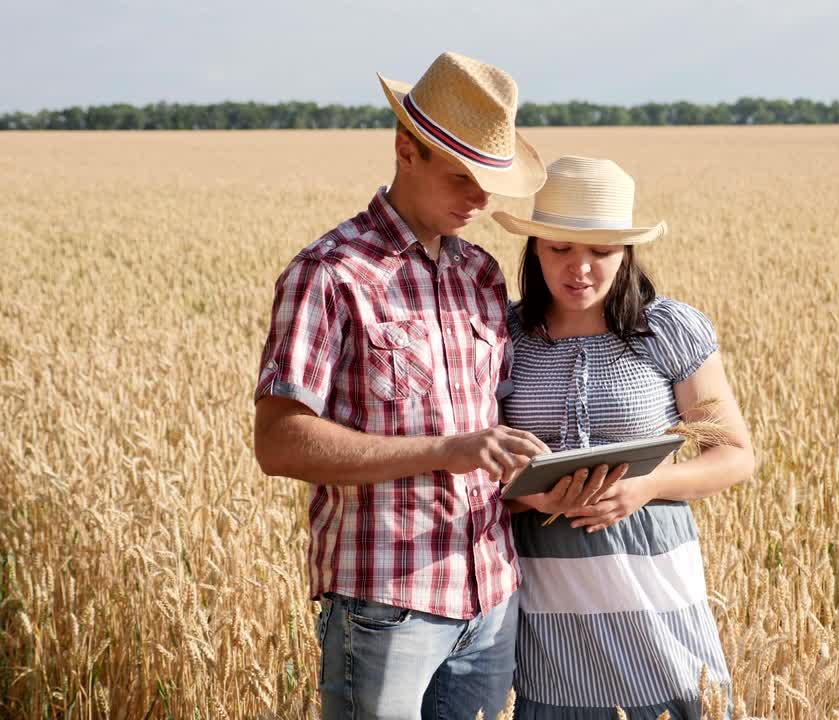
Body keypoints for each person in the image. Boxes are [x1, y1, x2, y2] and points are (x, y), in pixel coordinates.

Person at [252, 51, 549, 720]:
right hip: (386, 602)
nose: (480, 199)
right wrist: (445, 451)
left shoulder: (481, 273)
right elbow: (279, 443)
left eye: (489, 182)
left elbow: (492, 430)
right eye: (462, 178)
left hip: (493, 594)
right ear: (404, 149)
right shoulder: (330, 273)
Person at [491, 156, 756, 718]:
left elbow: (733, 454)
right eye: (560, 248)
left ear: (627, 253)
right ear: (535, 246)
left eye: (600, 251)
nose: (579, 268)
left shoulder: (667, 330)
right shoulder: (501, 336)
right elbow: (476, 463)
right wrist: (526, 495)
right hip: (544, 601)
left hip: (654, 588)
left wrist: (648, 486)